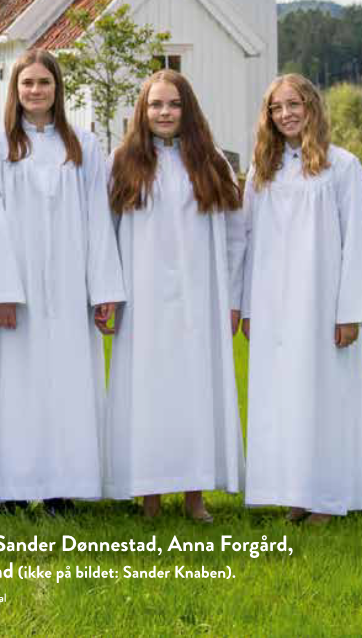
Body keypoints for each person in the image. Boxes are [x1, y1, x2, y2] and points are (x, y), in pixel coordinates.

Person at [0, 48, 124, 511]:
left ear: (58, 90)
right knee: (16, 389)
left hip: (70, 287)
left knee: (68, 387)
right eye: (27, 83)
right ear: (15, 90)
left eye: (44, 83)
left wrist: (103, 291)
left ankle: (60, 488)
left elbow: (98, 217)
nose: (35, 91)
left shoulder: (83, 147)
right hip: (19, 288)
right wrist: (1, 293)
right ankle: (14, 487)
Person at [103, 70, 245, 521]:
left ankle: (194, 495)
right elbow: (106, 234)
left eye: (173, 105)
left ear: (188, 110)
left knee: (195, 392)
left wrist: (232, 298)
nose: (164, 113)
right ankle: (149, 496)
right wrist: (109, 291)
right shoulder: (122, 162)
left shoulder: (212, 162)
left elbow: (234, 237)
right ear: (142, 112)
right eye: (155, 105)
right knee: (148, 394)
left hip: (198, 297)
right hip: (142, 299)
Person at [242, 73, 362, 525]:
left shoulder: (342, 167)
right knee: (283, 397)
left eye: (293, 105)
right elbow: (246, 239)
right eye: (277, 108)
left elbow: (356, 244)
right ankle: (293, 491)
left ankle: (325, 494)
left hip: (321, 302)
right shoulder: (263, 172)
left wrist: (350, 312)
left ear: (312, 107)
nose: (286, 114)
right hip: (273, 302)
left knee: (322, 394)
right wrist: (246, 306)